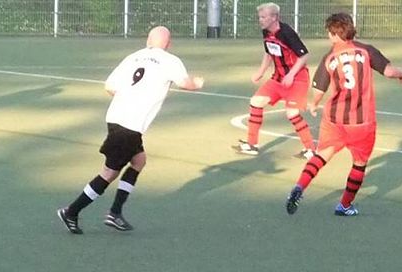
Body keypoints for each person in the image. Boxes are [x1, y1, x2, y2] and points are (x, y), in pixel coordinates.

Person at [57, 26, 204, 234]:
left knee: (139, 160)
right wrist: (197, 83)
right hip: (130, 125)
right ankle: (72, 212)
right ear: (169, 44)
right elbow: (185, 83)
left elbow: (109, 86)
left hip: (116, 117)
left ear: (148, 41)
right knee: (109, 173)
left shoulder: (133, 57)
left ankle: (115, 212)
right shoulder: (170, 60)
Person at [284, 12, 402, 217]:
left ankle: (299, 186)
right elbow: (388, 71)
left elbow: (319, 89)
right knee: (359, 164)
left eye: (329, 32)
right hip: (362, 122)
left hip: (334, 119)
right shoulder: (366, 50)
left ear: (334, 34)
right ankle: (344, 205)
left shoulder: (329, 57)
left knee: (321, 155)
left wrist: (314, 104)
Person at [233, 2, 315, 159]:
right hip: (278, 78)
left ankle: (310, 149)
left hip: (297, 79)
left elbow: (304, 55)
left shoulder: (287, 33)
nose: (260, 20)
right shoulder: (266, 31)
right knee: (256, 102)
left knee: (292, 113)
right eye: (260, 17)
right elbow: (268, 52)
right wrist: (260, 72)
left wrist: (291, 75)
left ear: (274, 17)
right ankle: (252, 145)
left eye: (263, 17)